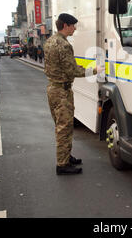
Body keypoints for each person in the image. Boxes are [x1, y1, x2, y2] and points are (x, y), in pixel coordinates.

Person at [44, 13, 102, 175]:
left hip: (52, 88)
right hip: (62, 92)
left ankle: (66, 156)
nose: (75, 28)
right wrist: (94, 70)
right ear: (66, 26)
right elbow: (73, 70)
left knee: (61, 125)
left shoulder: (49, 41)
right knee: (64, 128)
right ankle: (62, 165)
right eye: (73, 26)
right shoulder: (63, 45)